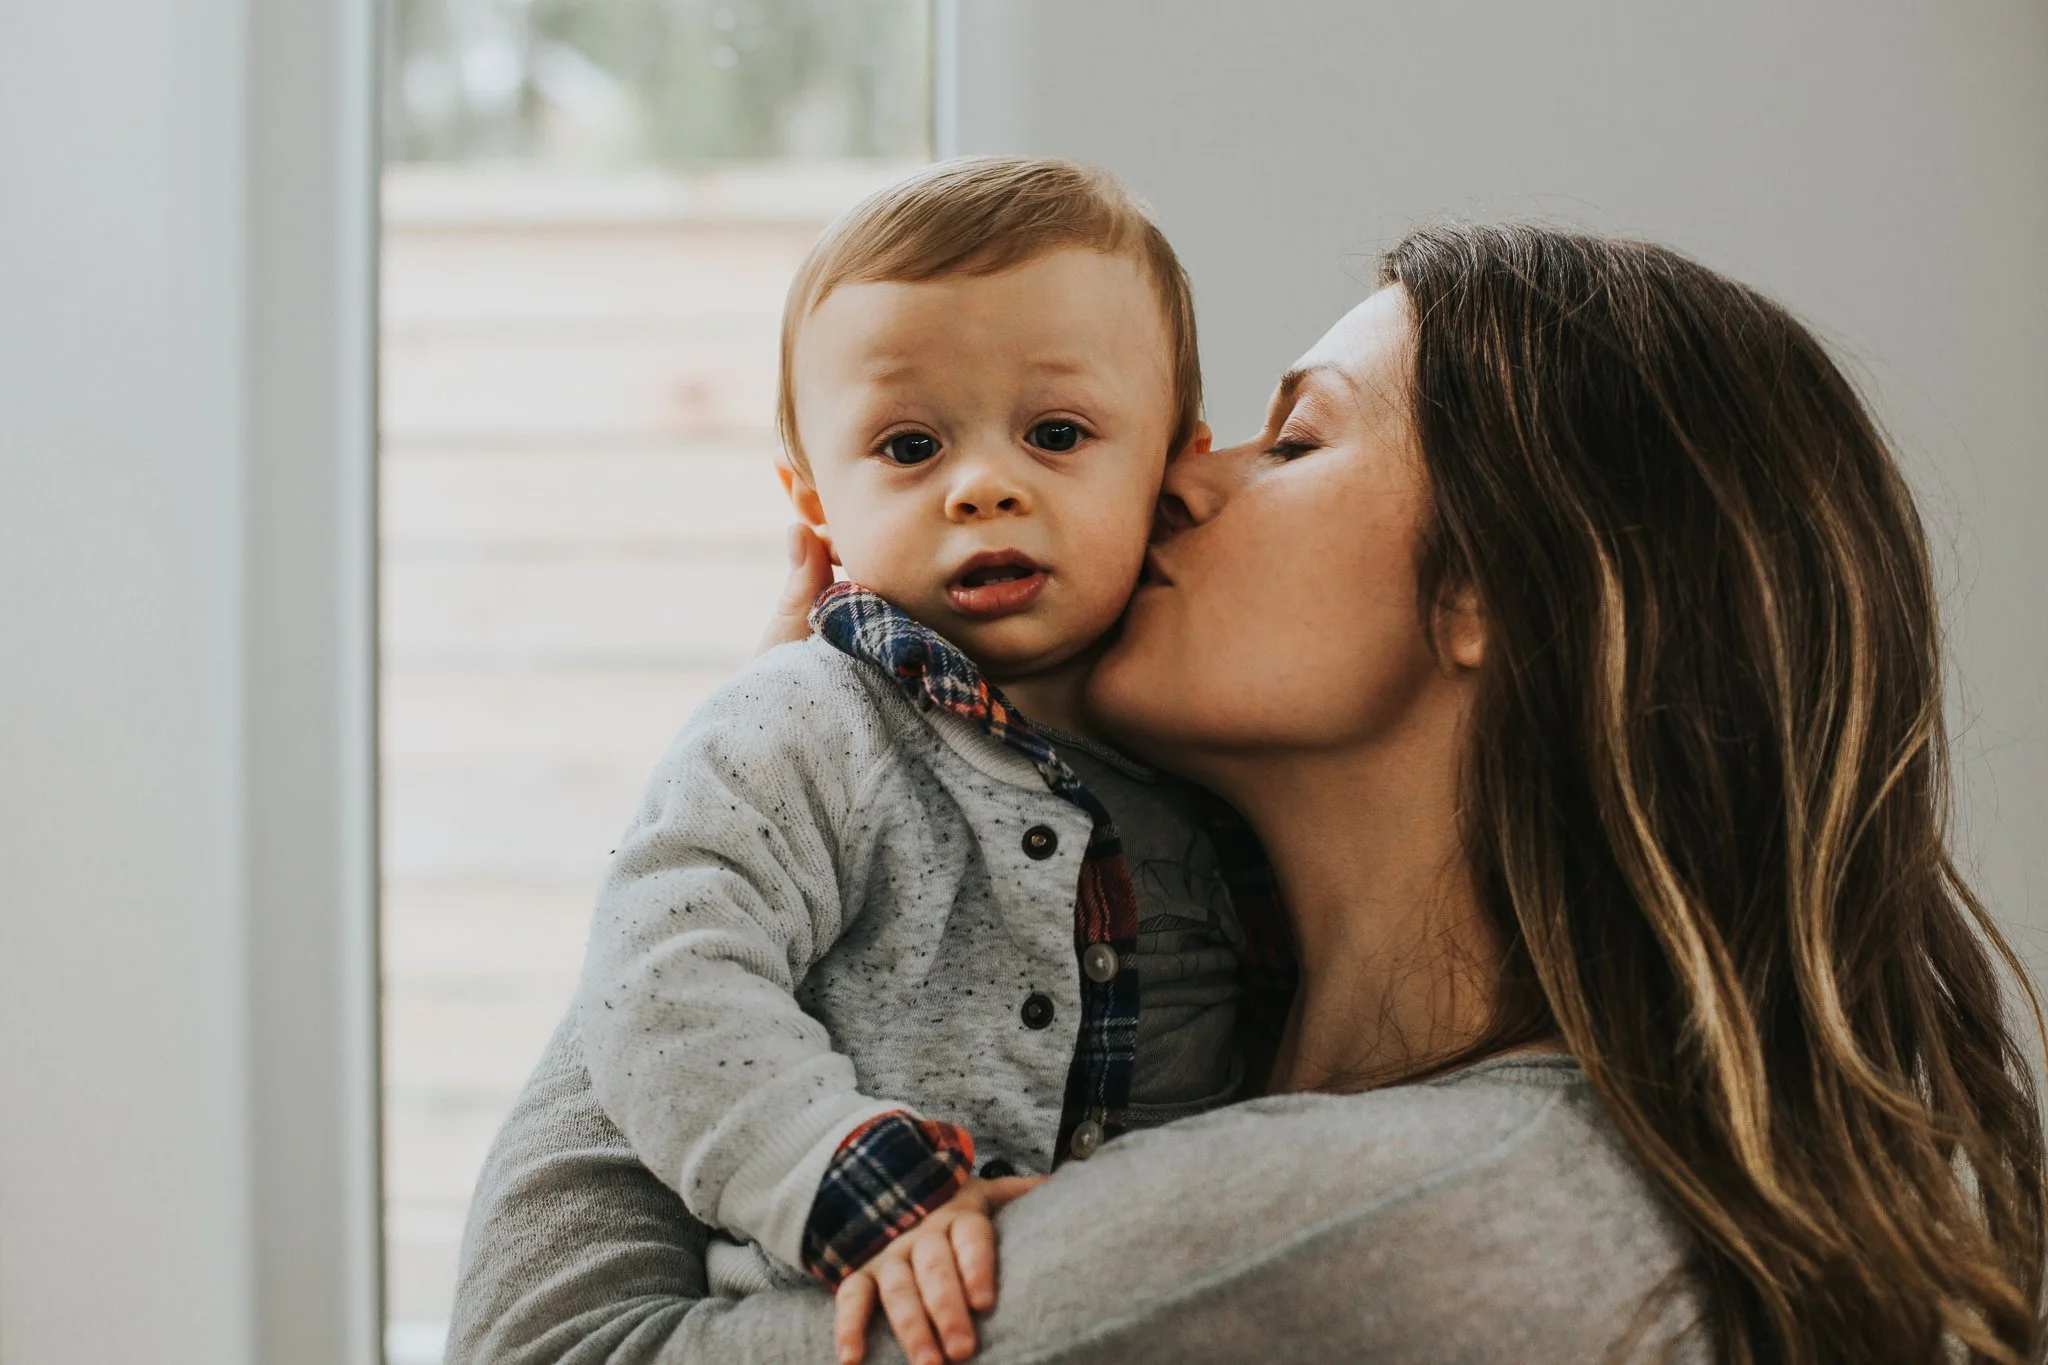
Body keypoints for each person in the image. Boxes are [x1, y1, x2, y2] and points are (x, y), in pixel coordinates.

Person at [448, 221, 2047, 1365]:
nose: (1178, 481)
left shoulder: (1382, 1229)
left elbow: (553, 1340)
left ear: (1489, 591)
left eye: (1293, 443)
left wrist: (783, 755)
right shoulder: (1240, 1048)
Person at [570, 155, 1291, 1365]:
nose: (984, 487)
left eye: (1055, 434)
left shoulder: (1220, 752)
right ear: (813, 503)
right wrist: (852, 1186)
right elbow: (660, 975)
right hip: (831, 1317)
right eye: (909, 446)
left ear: (1172, 467)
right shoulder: (806, 722)